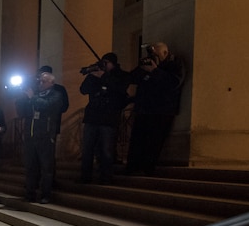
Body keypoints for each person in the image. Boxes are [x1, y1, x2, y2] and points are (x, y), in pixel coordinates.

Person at [124, 42, 186, 175]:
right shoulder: (148, 64)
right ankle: (132, 167)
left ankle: (147, 168)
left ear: (164, 53)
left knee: (154, 141)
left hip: (162, 111)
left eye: (156, 54)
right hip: (144, 109)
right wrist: (142, 68)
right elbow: (131, 78)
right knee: (137, 139)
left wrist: (155, 71)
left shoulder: (175, 64)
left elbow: (174, 83)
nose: (153, 57)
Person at [78, 52, 129, 184]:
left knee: (106, 150)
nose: (103, 65)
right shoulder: (95, 76)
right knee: (88, 149)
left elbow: (120, 89)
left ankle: (106, 177)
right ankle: (85, 176)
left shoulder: (120, 75)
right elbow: (83, 90)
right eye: (102, 62)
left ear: (113, 64)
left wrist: (104, 76)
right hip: (92, 117)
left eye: (106, 63)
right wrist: (92, 76)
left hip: (108, 118)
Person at [15, 71, 64, 203]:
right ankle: (30, 193)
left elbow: (47, 106)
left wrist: (32, 98)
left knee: (46, 168)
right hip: (31, 137)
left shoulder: (56, 95)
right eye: (39, 81)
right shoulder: (34, 95)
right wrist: (22, 97)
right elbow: (22, 112)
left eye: (43, 81)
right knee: (31, 167)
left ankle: (45, 195)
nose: (40, 83)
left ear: (51, 83)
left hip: (46, 137)